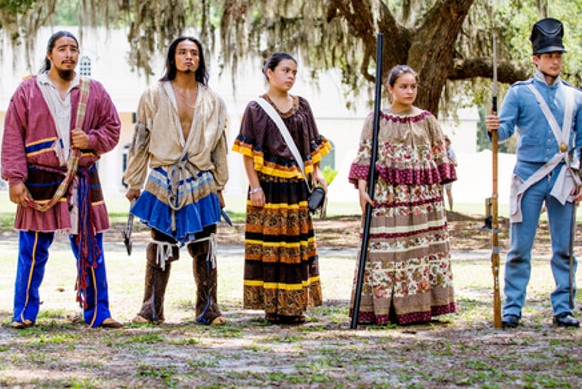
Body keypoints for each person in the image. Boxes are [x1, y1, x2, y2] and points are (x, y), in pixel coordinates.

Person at [1, 31, 122, 329]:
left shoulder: (95, 91)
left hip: (82, 178)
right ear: (49, 55)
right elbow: (13, 135)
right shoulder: (28, 91)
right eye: (62, 49)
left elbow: (113, 128)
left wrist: (91, 139)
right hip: (38, 177)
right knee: (32, 250)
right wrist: (15, 179)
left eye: (73, 49)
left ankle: (99, 312)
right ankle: (24, 313)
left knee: (91, 247)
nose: (68, 54)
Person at [485, 18, 582, 329]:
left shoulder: (576, 97)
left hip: (564, 177)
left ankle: (563, 307)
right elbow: (504, 131)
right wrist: (493, 126)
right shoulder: (519, 93)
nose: (555, 61)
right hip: (529, 177)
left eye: (558, 55)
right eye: (549, 56)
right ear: (536, 59)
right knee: (520, 247)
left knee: (564, 248)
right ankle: (512, 307)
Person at [124, 36, 229, 326]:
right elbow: (141, 139)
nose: (188, 57)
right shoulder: (154, 94)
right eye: (182, 52)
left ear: (200, 60)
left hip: (201, 178)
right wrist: (134, 181)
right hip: (163, 177)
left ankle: (209, 309)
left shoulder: (213, 100)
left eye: (194, 53)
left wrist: (220, 185)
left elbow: (219, 144)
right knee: (160, 244)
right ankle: (151, 309)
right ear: (172, 59)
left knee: (206, 244)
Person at [348, 64, 457, 325]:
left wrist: (437, 195)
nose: (409, 91)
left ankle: (422, 306)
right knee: (384, 249)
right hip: (386, 196)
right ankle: (384, 308)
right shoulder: (375, 119)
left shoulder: (427, 120)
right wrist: (362, 189)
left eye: (413, 86)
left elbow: (439, 156)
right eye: (403, 86)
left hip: (422, 197)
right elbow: (365, 154)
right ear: (390, 89)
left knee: (420, 250)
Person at [233, 52, 331, 324]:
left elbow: (313, 145)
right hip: (268, 188)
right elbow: (248, 153)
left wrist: (318, 173)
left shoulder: (303, 107)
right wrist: (255, 188)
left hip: (296, 189)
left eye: (294, 72)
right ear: (269, 72)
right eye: (285, 70)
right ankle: (271, 307)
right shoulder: (255, 108)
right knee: (270, 247)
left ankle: (295, 306)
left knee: (295, 247)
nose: (290, 76)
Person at [443, 136, 458, 211]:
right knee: (440, 192)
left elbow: (456, 163)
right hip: (441, 173)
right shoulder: (439, 151)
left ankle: (451, 209)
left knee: (448, 192)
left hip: (449, 173)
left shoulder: (451, 151)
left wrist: (449, 161)